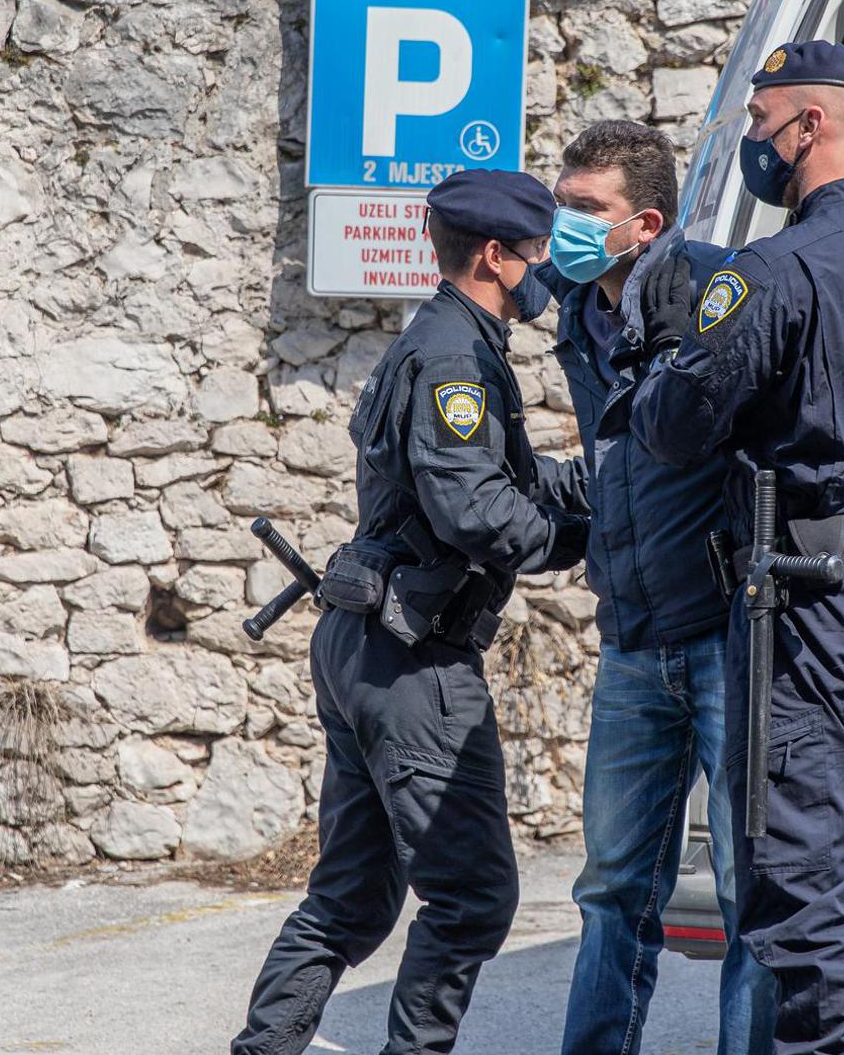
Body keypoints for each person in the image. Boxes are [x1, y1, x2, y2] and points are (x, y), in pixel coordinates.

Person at [629, 42, 844, 1055]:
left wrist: (655, 356)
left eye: (756, 121)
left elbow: (678, 427)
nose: (750, 142)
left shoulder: (778, 269)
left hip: (810, 600)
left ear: (808, 127)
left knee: (803, 875)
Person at [231, 169, 591, 1055]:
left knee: (350, 898)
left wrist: (600, 483)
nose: (550, 267)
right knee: (472, 899)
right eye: (540, 250)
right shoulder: (454, 359)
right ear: (496, 257)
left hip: (363, 647)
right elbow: (474, 510)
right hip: (412, 663)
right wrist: (586, 539)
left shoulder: (444, 339)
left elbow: (497, 474)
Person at [536, 120, 775, 1055]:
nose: (564, 225)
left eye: (585, 210)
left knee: (750, 886)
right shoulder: (579, 312)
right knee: (610, 886)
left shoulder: (718, 289)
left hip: (724, 634)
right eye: (561, 205)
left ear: (645, 223)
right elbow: (616, 468)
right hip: (631, 640)